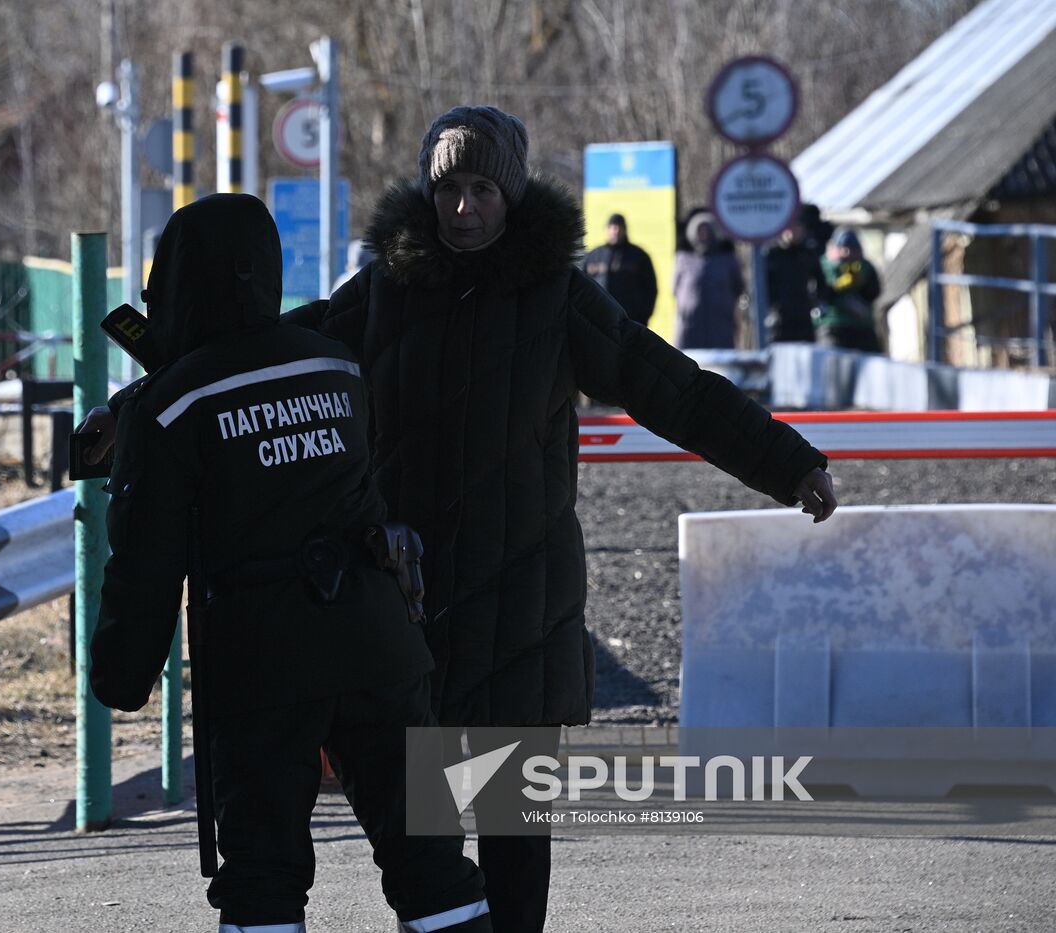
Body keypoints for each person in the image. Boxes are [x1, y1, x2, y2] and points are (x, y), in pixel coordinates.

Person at [283, 106, 838, 932]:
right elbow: (271, 363)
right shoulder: (381, 293)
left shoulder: (556, 297)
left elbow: (670, 387)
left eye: (481, 189)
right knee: (424, 846)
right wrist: (147, 399)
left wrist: (786, 462)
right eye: (448, 189)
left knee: (511, 835)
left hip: (521, 608)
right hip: (409, 601)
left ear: (511, 194)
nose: (463, 208)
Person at [85, 194, 491, 933]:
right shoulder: (338, 367)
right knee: (431, 859)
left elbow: (144, 562)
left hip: (262, 663)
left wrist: (121, 674)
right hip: (380, 643)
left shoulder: (169, 406)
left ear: (173, 284)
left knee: (263, 875)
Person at [673, 211, 744, 349]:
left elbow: (738, 286)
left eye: (707, 230)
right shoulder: (683, 258)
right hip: (690, 325)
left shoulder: (727, 259)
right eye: (700, 231)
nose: (704, 234)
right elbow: (675, 288)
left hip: (720, 325)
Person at [581, 213, 657, 326]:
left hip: (630, 321)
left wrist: (642, 316)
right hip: (598, 321)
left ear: (625, 229)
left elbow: (650, 288)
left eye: (619, 227)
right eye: (612, 227)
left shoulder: (638, 256)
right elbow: (581, 287)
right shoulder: (594, 256)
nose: (615, 231)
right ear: (606, 229)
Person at [814, 228, 882, 352]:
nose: (847, 253)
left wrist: (860, 294)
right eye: (843, 249)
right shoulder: (823, 266)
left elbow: (874, 292)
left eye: (852, 249)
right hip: (831, 324)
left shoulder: (865, 267)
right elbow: (818, 293)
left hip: (861, 325)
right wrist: (837, 288)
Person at [764, 219, 824, 343]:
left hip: (803, 317)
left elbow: (821, 282)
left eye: (796, 228)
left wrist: (817, 303)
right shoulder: (772, 255)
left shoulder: (808, 254)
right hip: (779, 319)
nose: (792, 233)